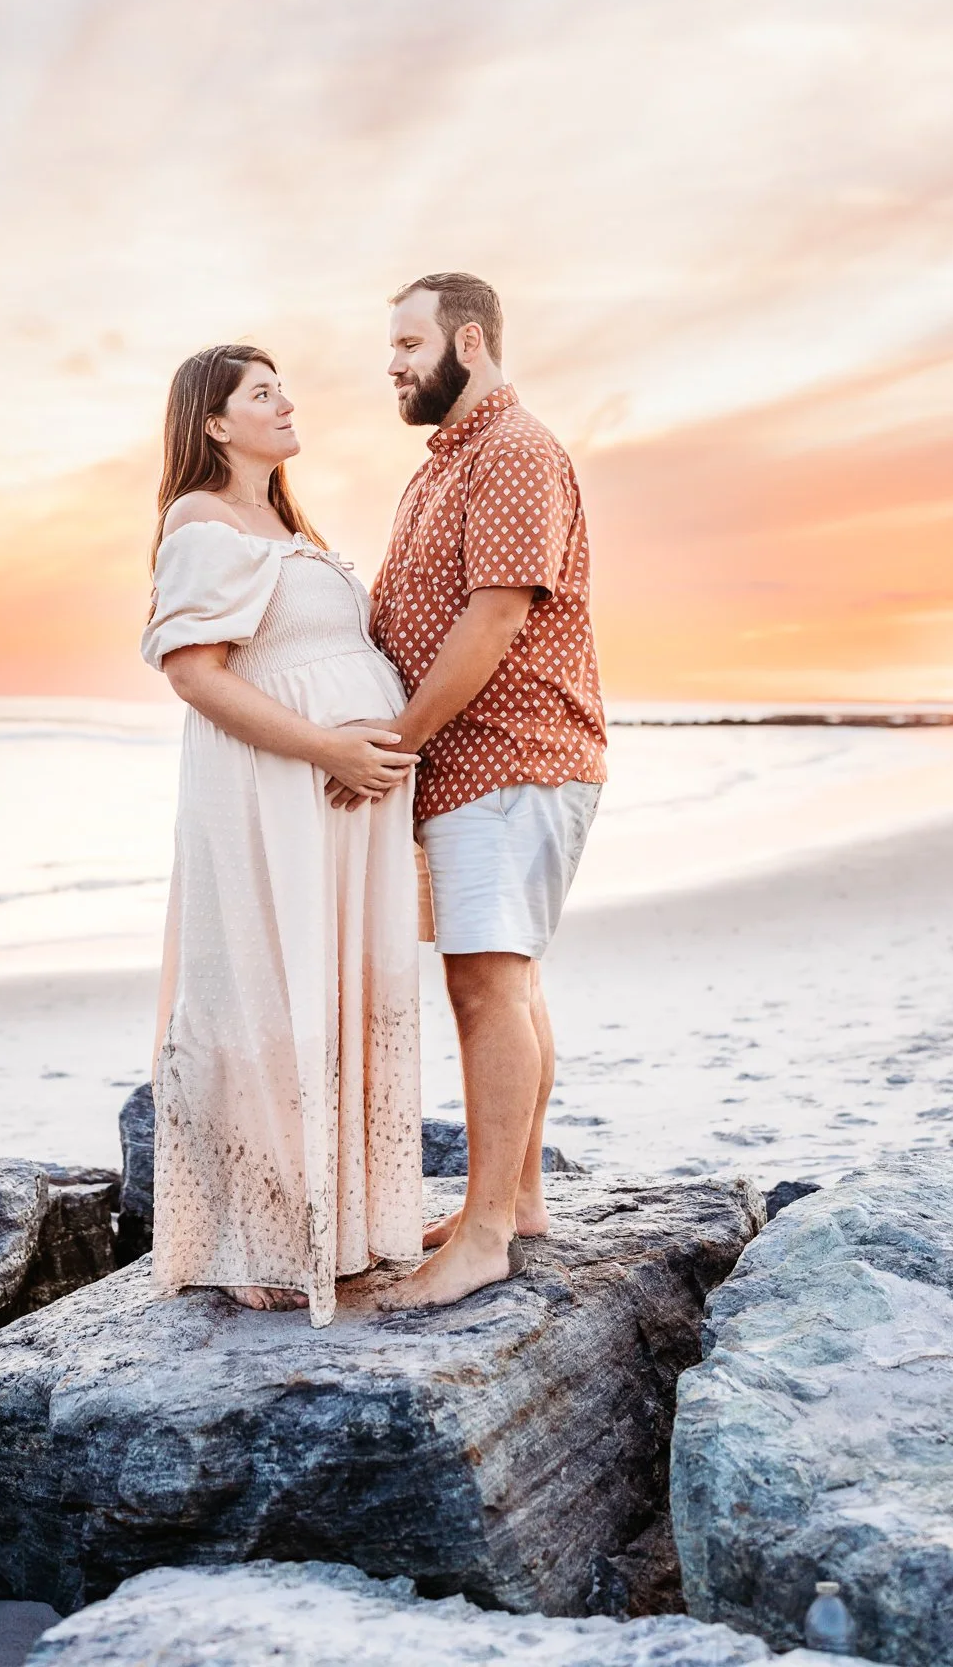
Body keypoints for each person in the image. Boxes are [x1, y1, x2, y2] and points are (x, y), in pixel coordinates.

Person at [141, 344, 422, 1325]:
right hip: (276, 791)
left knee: (338, 981)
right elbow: (196, 673)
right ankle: (256, 1240)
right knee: (267, 982)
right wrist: (326, 749)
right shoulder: (201, 519)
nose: (287, 402)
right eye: (262, 393)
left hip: (342, 800)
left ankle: (350, 1219)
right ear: (214, 422)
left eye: (281, 386)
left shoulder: (286, 521)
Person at [364, 273, 607, 1309]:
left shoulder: (511, 450)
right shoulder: (451, 461)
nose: (396, 365)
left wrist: (398, 742)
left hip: (506, 756)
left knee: (486, 984)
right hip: (488, 766)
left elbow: (497, 615)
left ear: (471, 337)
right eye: (392, 349)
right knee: (509, 977)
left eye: (411, 343)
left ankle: (489, 1234)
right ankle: (514, 1198)